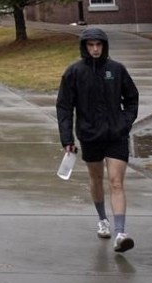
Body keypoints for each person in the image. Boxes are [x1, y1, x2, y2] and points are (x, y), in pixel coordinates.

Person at [56, 27, 140, 253]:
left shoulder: (116, 69)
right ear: (84, 47)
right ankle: (103, 219)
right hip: (89, 135)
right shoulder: (74, 72)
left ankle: (121, 233)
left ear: (104, 46)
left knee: (115, 181)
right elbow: (64, 106)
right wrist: (67, 138)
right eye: (90, 45)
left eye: (98, 45)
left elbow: (132, 98)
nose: (95, 49)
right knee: (96, 179)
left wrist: (125, 123)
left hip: (116, 135)